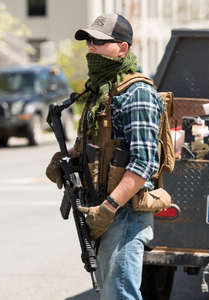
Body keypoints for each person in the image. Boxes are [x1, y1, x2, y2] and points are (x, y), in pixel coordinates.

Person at [46, 13, 164, 300]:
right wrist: (71, 158)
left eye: (99, 42)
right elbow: (104, 145)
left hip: (123, 215)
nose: (91, 48)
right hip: (102, 209)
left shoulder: (138, 93)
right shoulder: (102, 91)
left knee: (119, 294)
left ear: (122, 48)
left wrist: (108, 208)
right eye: (89, 41)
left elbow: (145, 161)